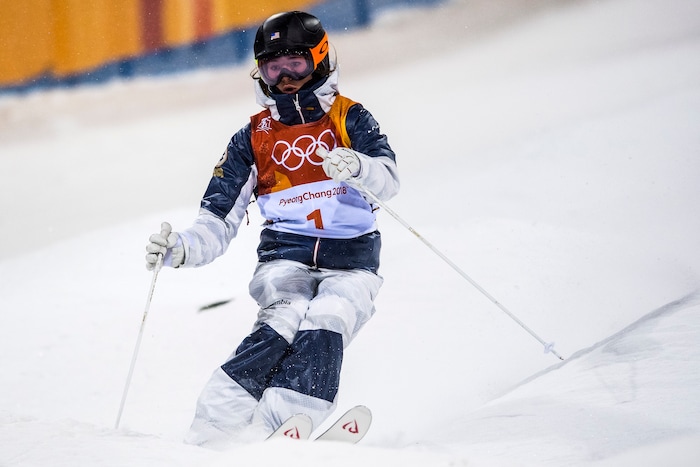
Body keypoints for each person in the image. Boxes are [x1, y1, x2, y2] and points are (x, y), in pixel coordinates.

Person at [145, 10, 399, 447]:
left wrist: (359, 166)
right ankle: (214, 426)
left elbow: (388, 180)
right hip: (285, 258)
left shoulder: (349, 118)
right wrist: (182, 248)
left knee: (330, 317)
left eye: (295, 64)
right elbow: (217, 218)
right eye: (272, 67)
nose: (285, 78)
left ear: (319, 60)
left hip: (352, 262)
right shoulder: (253, 137)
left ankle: (281, 424)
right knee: (283, 318)